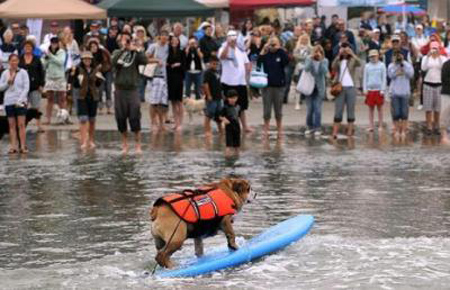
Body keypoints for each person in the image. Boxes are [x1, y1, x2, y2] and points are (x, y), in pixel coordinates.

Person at [112, 33, 148, 154]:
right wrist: (123, 49)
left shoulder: (135, 53)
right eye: (124, 40)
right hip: (120, 89)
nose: (126, 42)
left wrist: (137, 49)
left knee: (135, 116)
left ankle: (138, 145)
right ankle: (125, 144)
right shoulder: (117, 52)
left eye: (128, 40)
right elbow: (113, 62)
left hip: (132, 89)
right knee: (121, 118)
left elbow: (145, 61)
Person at [219, 30, 252, 133]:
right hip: (228, 82)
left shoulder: (241, 50)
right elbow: (222, 57)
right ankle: (228, 125)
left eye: (235, 37)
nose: (233, 39)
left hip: (241, 82)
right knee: (227, 106)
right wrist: (228, 45)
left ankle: (245, 126)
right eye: (231, 37)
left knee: (241, 106)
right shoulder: (223, 48)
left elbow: (247, 62)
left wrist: (247, 71)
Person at [70, 51, 103, 149]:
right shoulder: (77, 69)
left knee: (92, 120)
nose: (87, 61)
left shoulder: (96, 70)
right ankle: (84, 141)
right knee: (83, 119)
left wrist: (98, 79)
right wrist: (76, 78)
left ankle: (91, 140)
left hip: (93, 96)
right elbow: (74, 84)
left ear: (91, 60)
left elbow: (98, 84)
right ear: (82, 60)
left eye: (89, 59)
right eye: (85, 59)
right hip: (81, 96)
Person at [258, 37, 289, 138]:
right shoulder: (265, 54)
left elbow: (286, 62)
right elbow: (259, 65)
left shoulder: (281, 53)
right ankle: (266, 130)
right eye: (271, 44)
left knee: (278, 109)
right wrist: (263, 50)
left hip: (279, 86)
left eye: (275, 44)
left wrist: (280, 49)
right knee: (266, 109)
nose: (273, 46)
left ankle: (279, 129)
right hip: (267, 86)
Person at [0, 54, 30, 154]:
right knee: (11, 125)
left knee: (21, 124)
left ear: (18, 61)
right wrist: (8, 82)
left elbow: (26, 87)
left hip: (20, 101)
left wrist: (21, 99)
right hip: (9, 101)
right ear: (9, 62)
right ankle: (13, 146)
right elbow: (1, 88)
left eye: (16, 60)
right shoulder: (5, 73)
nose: (14, 63)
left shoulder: (23, 72)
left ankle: (22, 146)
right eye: (12, 61)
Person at [331, 42, 361, 138]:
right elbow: (333, 67)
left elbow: (359, 63)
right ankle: (335, 133)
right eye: (343, 48)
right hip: (340, 87)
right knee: (338, 110)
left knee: (350, 109)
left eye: (346, 48)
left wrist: (352, 53)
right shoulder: (339, 60)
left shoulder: (352, 59)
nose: (344, 51)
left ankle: (349, 132)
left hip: (351, 87)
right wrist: (338, 55)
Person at [421, 41, 447, 135]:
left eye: (436, 48)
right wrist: (428, 56)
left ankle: (436, 126)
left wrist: (439, 56)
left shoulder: (443, 58)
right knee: (428, 108)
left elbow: (443, 68)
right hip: (428, 83)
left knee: (437, 108)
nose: (434, 50)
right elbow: (423, 68)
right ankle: (429, 126)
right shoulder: (425, 58)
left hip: (439, 84)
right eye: (433, 48)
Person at [19, 41, 45, 133]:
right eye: (26, 47)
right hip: (22, 88)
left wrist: (41, 85)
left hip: (35, 87)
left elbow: (41, 73)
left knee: (36, 107)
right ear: (23, 48)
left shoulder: (37, 59)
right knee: (22, 108)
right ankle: (22, 125)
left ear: (33, 48)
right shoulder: (20, 59)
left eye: (29, 47)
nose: (28, 48)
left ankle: (39, 126)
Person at [303, 45, 329, 136]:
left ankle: (317, 127)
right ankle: (309, 127)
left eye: (319, 52)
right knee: (310, 109)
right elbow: (306, 69)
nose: (317, 54)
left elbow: (325, 72)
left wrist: (321, 61)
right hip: (309, 87)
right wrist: (311, 59)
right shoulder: (308, 59)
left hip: (319, 88)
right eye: (316, 52)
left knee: (317, 109)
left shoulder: (325, 60)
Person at [146, 30, 169, 131]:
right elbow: (145, 58)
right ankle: (153, 122)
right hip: (155, 76)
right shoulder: (153, 46)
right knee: (153, 101)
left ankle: (161, 123)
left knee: (162, 103)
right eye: (162, 36)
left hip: (165, 77)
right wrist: (156, 60)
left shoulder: (168, 47)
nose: (164, 38)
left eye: (166, 37)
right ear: (159, 37)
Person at [42, 37, 67, 125]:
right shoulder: (47, 53)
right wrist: (46, 59)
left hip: (60, 77)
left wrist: (50, 56)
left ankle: (63, 118)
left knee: (62, 99)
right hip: (50, 77)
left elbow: (61, 62)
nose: (54, 44)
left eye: (56, 43)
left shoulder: (62, 52)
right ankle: (48, 119)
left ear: (58, 43)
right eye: (53, 43)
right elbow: (44, 65)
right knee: (50, 99)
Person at [388, 52, 414, 138]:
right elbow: (390, 76)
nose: (398, 58)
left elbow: (411, 75)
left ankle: (403, 130)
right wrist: (396, 70)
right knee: (396, 113)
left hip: (405, 92)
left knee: (404, 113)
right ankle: (396, 129)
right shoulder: (391, 65)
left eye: (400, 56)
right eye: (396, 56)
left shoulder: (407, 65)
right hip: (395, 92)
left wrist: (403, 66)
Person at [363, 50, 387, 132]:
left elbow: (384, 78)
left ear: (378, 56)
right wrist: (365, 89)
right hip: (370, 90)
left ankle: (380, 125)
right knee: (370, 109)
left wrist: (383, 89)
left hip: (379, 89)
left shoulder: (382, 65)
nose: (373, 58)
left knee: (380, 108)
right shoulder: (367, 66)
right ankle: (371, 125)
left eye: (374, 56)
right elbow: (365, 78)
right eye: (371, 56)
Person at [88, 38, 112, 114]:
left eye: (95, 46)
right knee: (100, 90)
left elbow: (109, 58)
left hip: (107, 71)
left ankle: (109, 108)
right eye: (91, 46)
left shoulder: (103, 52)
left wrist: (110, 67)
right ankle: (100, 108)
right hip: (98, 73)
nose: (93, 48)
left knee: (108, 88)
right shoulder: (90, 56)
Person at [167, 36, 186, 131]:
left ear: (178, 42)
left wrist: (179, 64)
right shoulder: (168, 52)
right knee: (173, 102)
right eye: (172, 41)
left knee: (179, 101)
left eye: (176, 40)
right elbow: (166, 64)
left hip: (178, 77)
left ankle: (180, 123)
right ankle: (176, 123)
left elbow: (185, 64)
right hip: (170, 78)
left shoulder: (182, 52)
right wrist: (169, 65)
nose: (174, 42)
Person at [203, 55, 223, 137]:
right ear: (210, 63)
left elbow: (219, 84)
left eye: (216, 64)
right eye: (213, 64)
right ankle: (207, 131)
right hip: (211, 97)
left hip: (218, 97)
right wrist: (209, 95)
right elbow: (205, 84)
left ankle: (221, 130)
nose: (215, 65)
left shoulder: (217, 72)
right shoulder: (207, 72)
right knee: (209, 114)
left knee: (219, 115)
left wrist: (222, 94)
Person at [293, 33, 312, 110]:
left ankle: (308, 102)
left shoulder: (310, 48)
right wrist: (305, 57)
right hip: (299, 67)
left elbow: (311, 57)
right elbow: (296, 56)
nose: (304, 41)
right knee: (298, 85)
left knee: (307, 85)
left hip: (307, 68)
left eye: (306, 39)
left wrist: (305, 58)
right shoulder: (297, 48)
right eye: (303, 39)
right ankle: (297, 103)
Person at [220, 90, 241, 157]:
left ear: (237, 98)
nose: (232, 100)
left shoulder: (238, 107)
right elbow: (220, 116)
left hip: (237, 127)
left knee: (237, 145)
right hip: (229, 128)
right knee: (228, 145)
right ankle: (227, 156)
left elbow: (238, 116)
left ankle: (237, 155)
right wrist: (225, 120)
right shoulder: (225, 107)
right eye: (231, 98)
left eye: (234, 98)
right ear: (227, 98)